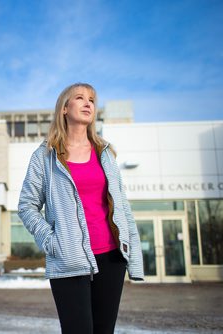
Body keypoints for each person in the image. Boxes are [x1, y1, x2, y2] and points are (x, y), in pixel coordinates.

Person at [18, 83, 144, 333]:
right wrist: (53, 242)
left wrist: (133, 254)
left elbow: (123, 209)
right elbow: (27, 206)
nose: (88, 103)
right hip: (69, 259)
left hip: (111, 257)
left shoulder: (105, 153)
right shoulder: (45, 155)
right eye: (79, 98)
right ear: (65, 109)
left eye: (92, 100)